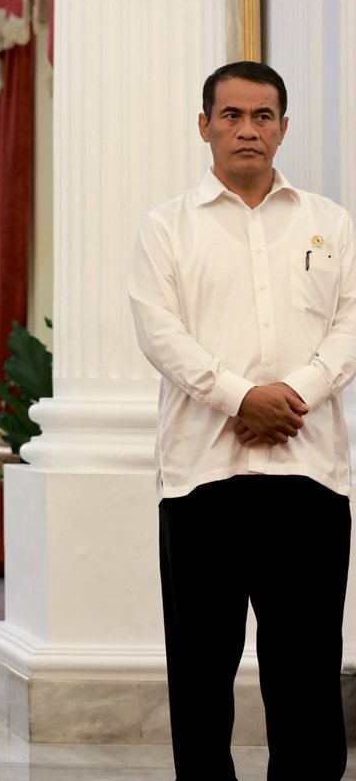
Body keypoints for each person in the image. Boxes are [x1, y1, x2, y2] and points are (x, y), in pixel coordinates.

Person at [129, 61, 356, 781]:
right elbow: (160, 334)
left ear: (283, 128)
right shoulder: (165, 229)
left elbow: (350, 324)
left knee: (309, 675)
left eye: (263, 116)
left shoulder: (330, 222)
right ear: (205, 126)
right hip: (202, 477)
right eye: (231, 115)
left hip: (310, 472)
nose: (247, 129)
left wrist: (294, 393)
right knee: (200, 676)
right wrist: (238, 397)